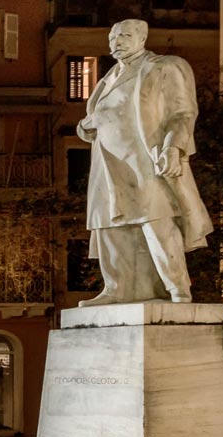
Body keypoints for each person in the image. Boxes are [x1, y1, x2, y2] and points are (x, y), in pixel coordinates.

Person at [76, 19, 213, 306]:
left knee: (157, 221)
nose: (116, 42)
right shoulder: (107, 79)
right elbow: (97, 118)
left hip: (145, 158)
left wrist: (174, 148)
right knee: (109, 225)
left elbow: (183, 113)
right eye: (112, 37)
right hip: (107, 161)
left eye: (124, 36)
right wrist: (85, 127)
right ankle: (116, 288)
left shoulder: (165, 67)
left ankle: (177, 287)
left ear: (142, 38)